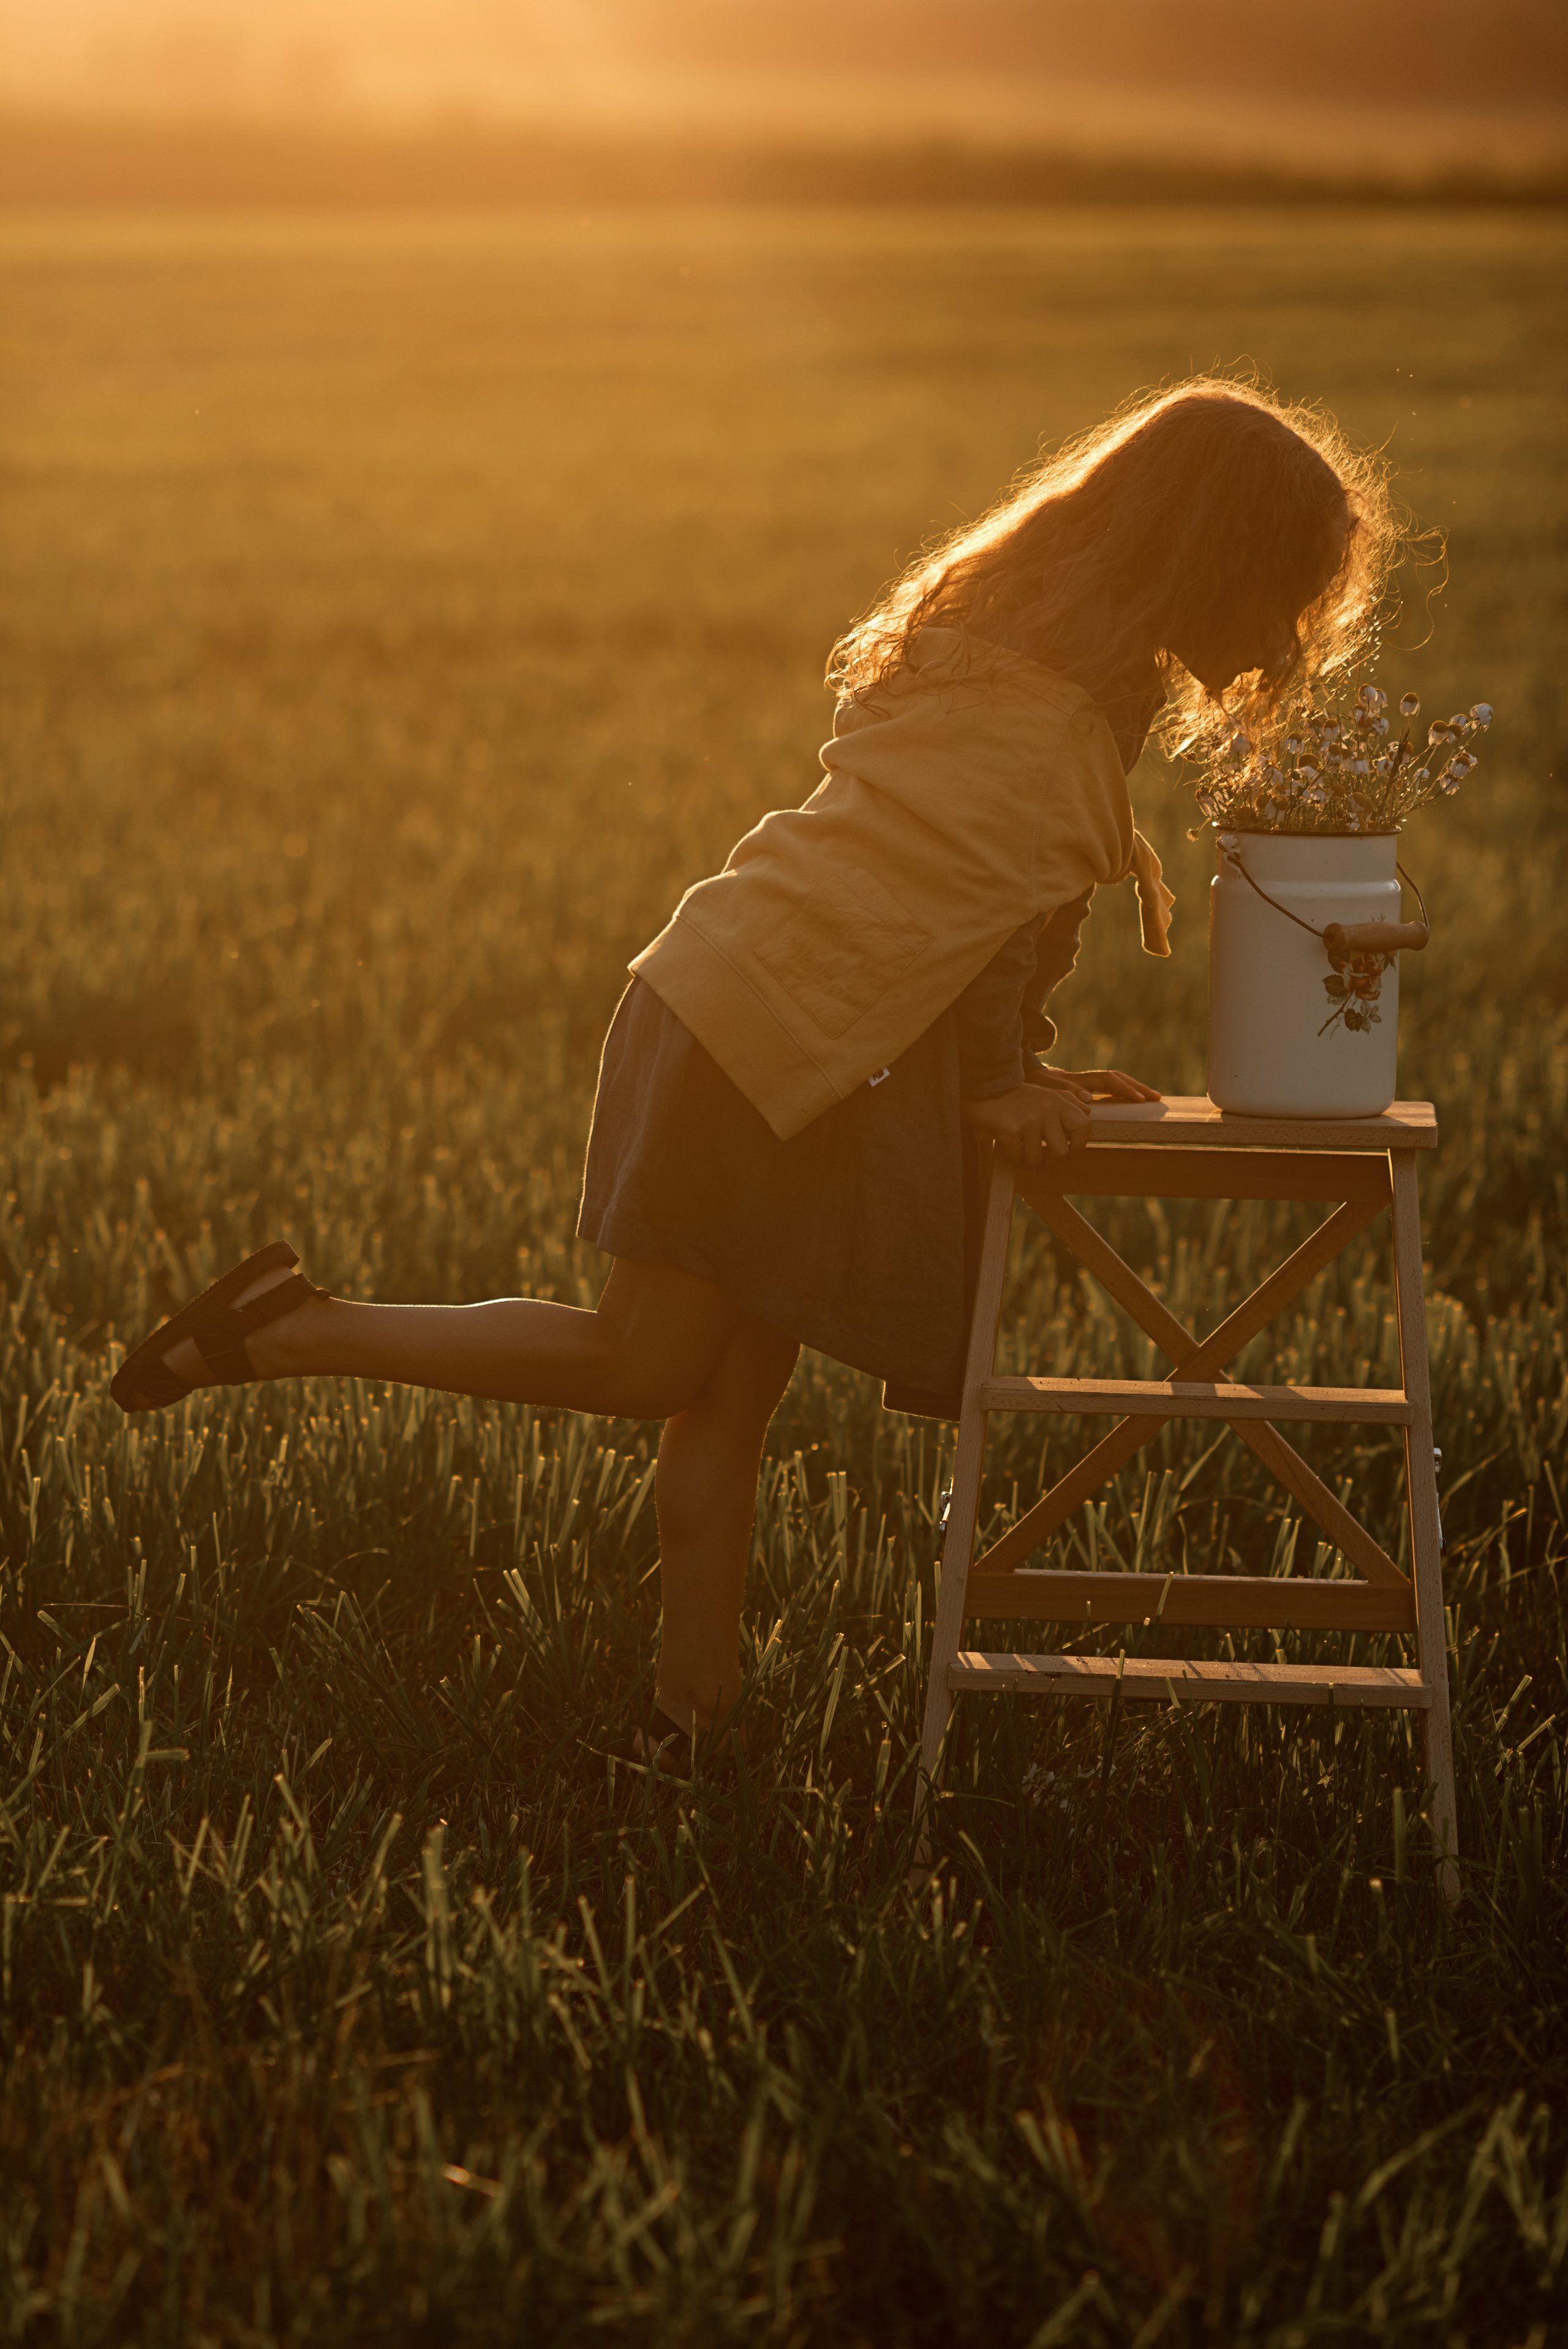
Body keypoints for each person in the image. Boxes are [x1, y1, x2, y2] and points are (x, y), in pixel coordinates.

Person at [110, 378, 1396, 1759]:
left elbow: (990, 905)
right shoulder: (1044, 697)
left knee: (731, 1388)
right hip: (762, 1026)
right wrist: (988, 1089)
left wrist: (1026, 1062)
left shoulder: (1045, 663)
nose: (1285, 635)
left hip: (806, 1027)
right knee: (648, 1360)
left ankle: (689, 1718)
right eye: (1280, 592)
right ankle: (291, 1326)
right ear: (1207, 554)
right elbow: (956, 900)